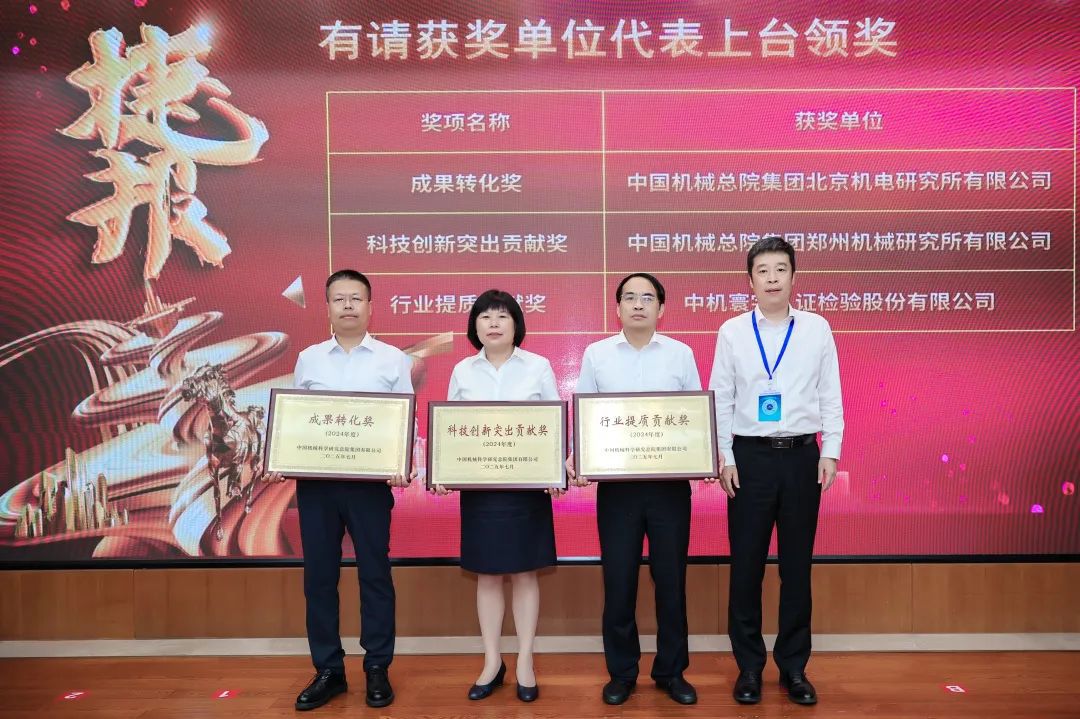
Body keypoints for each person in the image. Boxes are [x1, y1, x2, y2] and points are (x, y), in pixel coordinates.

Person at [265, 269, 416, 711]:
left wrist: (401, 464)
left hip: (370, 489)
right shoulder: (310, 358)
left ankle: (377, 667)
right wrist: (280, 457)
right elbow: (295, 420)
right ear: (328, 307)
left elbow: (405, 421)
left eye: (356, 298)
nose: (348, 305)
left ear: (370, 307)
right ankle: (328, 669)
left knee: (375, 575)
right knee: (319, 578)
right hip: (317, 488)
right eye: (339, 298)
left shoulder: (393, 359)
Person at [707, 236, 844, 706]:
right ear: (750, 280)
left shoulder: (816, 328)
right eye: (762, 271)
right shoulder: (732, 332)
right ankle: (749, 667)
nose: (771, 278)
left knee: (796, 569)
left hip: (803, 457)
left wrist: (831, 450)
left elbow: (830, 393)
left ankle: (793, 668)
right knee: (746, 568)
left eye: (780, 269)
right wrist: (725, 457)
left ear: (793, 277)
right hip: (750, 460)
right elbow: (720, 399)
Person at [566, 273, 701, 706]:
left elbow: (695, 418)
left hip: (669, 489)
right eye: (629, 297)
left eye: (647, 298)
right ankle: (622, 673)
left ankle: (671, 672)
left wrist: (705, 454)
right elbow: (584, 416)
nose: (638, 304)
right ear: (618, 308)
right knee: (619, 581)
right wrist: (578, 457)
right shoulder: (597, 354)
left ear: (662, 308)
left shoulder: (681, 354)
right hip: (618, 489)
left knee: (671, 582)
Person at [431, 290, 562, 703]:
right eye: (485, 316)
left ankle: (524, 661)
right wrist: (441, 469)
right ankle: (491, 661)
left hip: (526, 489)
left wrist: (556, 469)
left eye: (502, 316)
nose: (493, 323)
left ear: (516, 324)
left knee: (525, 573)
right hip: (481, 490)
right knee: (486, 574)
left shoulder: (538, 366)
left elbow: (554, 423)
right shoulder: (462, 371)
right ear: (474, 326)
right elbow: (451, 430)